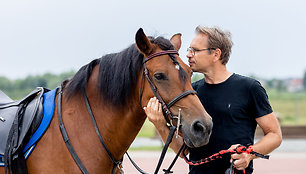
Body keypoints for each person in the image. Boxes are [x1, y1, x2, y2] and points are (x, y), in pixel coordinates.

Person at [143, 26, 282, 174]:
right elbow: (183, 151)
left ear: (216, 54)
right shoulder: (191, 93)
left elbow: (275, 135)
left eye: (195, 50)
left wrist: (249, 153)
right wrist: (160, 125)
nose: (188, 55)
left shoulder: (249, 88)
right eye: (189, 50)